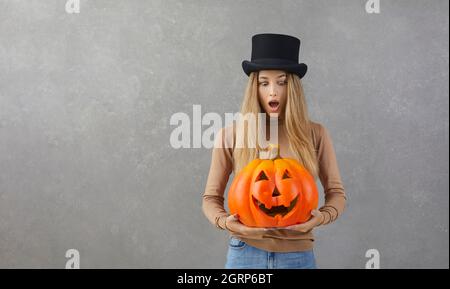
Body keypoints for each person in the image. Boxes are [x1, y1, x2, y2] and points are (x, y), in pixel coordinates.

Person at [202, 33, 347, 269]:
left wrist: (322, 217)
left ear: (294, 87)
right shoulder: (231, 135)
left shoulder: (316, 134)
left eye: (282, 82)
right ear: (254, 87)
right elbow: (210, 198)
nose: (273, 92)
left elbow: (337, 193)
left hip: (298, 256)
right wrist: (227, 223)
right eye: (264, 83)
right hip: (244, 253)